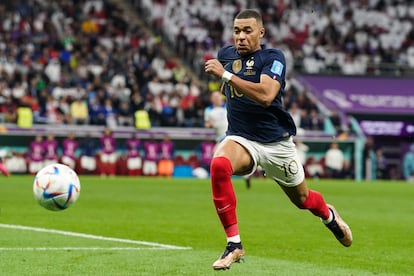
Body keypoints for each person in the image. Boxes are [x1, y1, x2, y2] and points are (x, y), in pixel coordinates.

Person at [204, 9, 352, 271]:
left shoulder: (273, 57)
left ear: (261, 32)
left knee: (303, 200)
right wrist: (225, 83)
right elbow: (228, 88)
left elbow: (266, 96)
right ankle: (234, 245)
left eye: (247, 31)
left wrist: (226, 77)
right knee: (218, 165)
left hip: (276, 144)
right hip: (241, 138)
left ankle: (328, 215)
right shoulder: (226, 55)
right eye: (237, 31)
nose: (240, 36)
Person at [204, 90, 253, 188]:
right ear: (211, 99)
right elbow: (206, 123)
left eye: (217, 96)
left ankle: (222, 181)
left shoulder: (228, 106)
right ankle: (244, 176)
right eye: (214, 97)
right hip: (219, 137)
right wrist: (209, 125)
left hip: (231, 135)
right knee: (221, 160)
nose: (216, 98)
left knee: (217, 157)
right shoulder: (209, 110)